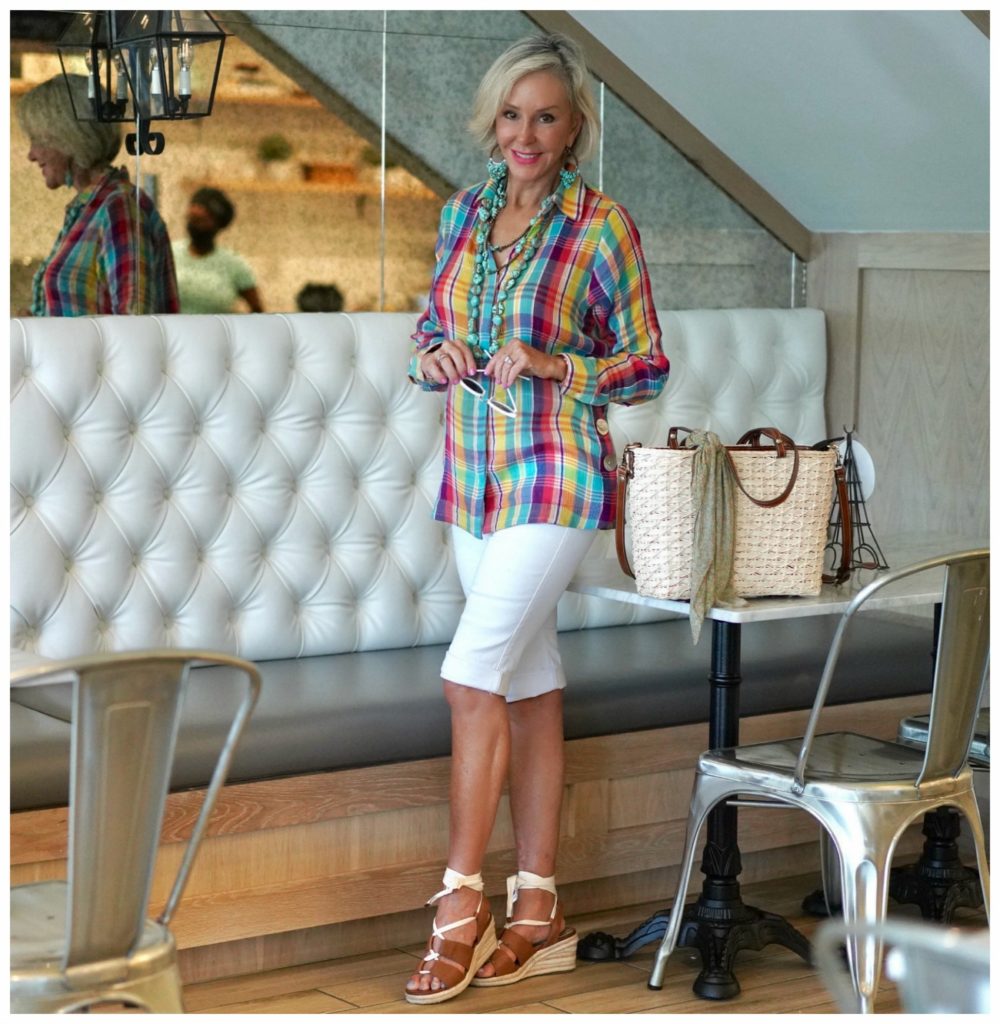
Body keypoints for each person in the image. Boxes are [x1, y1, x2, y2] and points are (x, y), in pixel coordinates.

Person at [405, 33, 669, 1005]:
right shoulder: (461, 214)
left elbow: (645, 365)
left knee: (468, 676)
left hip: (556, 477)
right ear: (492, 119)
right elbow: (433, 326)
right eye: (512, 115)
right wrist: (430, 354)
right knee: (529, 683)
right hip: (471, 480)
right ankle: (538, 906)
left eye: (546, 116)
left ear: (573, 129)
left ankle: (457, 906)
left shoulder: (602, 228)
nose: (526, 133)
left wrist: (558, 363)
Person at [17, 75, 179, 316]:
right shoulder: (92, 206)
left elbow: (134, 324)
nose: (31, 154)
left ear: (70, 137)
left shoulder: (119, 207)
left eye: (38, 140)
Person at [172, 187, 264, 313]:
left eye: (202, 221)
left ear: (218, 225)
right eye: (193, 220)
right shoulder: (168, 254)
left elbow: (257, 310)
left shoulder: (234, 264)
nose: (196, 226)